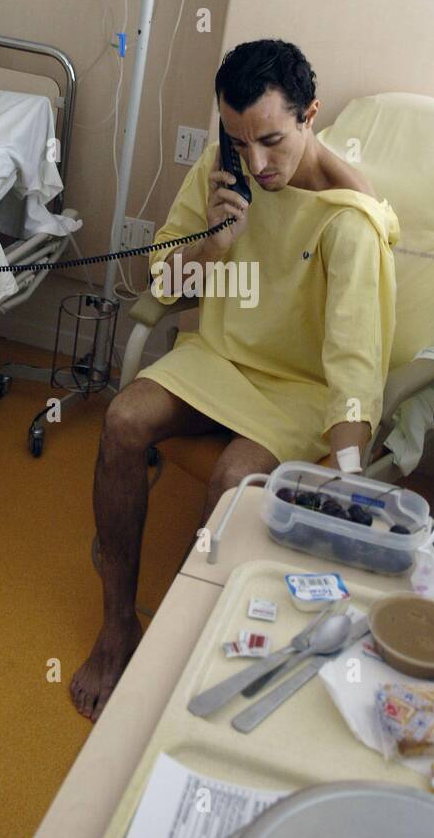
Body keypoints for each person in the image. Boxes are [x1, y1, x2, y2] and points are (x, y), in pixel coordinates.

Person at [70, 39, 400, 719]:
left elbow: (352, 365)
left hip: (297, 389)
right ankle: (117, 624)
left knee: (231, 479)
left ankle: (182, 645)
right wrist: (214, 243)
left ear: (310, 113)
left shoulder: (349, 222)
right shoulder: (227, 171)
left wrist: (347, 477)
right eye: (238, 140)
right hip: (219, 356)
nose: (256, 162)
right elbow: (164, 281)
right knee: (123, 419)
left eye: (272, 141)